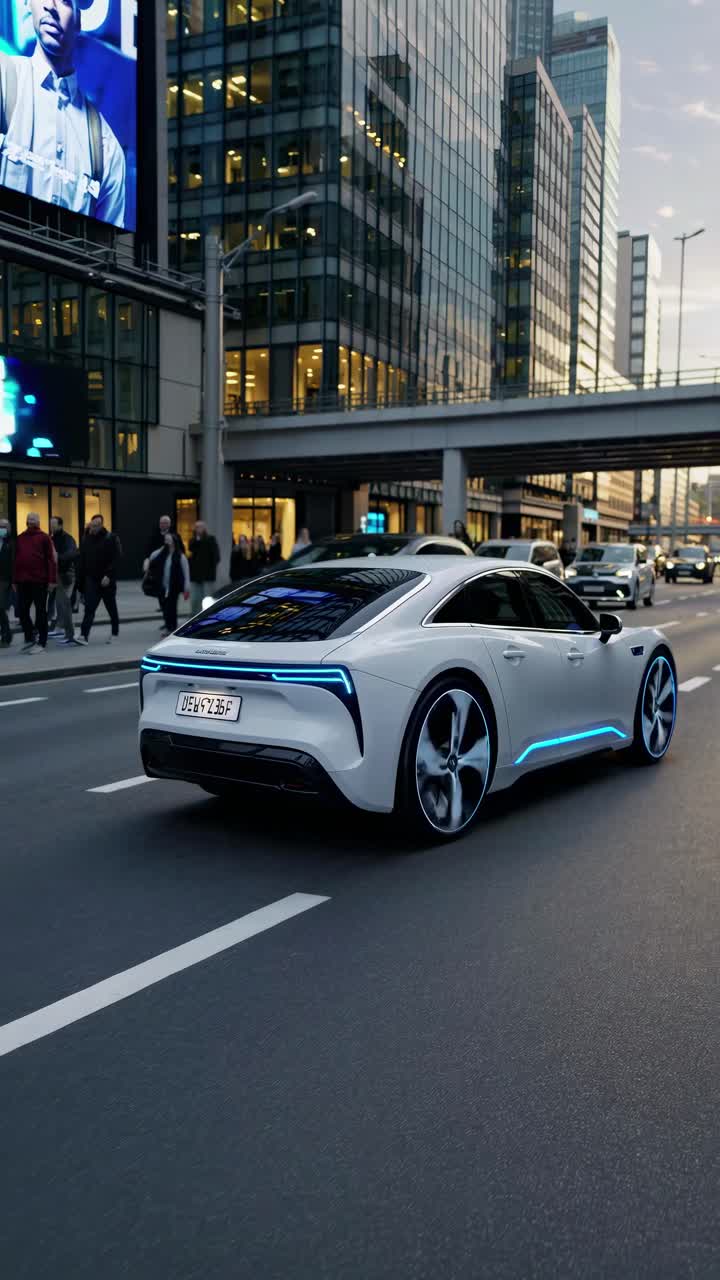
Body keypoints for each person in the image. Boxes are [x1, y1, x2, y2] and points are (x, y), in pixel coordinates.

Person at [0, 0, 126, 227]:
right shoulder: (4, 79)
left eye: (65, 1)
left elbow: (107, 249)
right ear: (27, 5)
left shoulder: (106, 148)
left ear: (80, 19)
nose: (50, 6)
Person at [13, 512, 56, 654]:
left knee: (40, 612)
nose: (31, 521)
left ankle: (42, 641)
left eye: (34, 519)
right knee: (22, 611)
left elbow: (51, 560)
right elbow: (16, 560)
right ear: (26, 521)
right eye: (29, 519)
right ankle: (31, 636)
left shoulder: (44, 538)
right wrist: (15, 580)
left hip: (39, 581)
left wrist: (51, 580)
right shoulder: (20, 538)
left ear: (38, 522)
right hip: (23, 581)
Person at [76, 513, 120, 645]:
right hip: (92, 580)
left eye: (96, 526)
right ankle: (84, 635)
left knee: (111, 607)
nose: (93, 528)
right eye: (92, 525)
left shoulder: (111, 538)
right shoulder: (86, 539)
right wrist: (81, 583)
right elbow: (82, 561)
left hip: (107, 580)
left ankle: (115, 633)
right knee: (89, 608)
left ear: (102, 525)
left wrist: (109, 575)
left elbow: (116, 558)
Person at [148, 533, 190, 635]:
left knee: (172, 607)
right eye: (165, 540)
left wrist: (186, 587)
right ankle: (168, 626)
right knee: (165, 607)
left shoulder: (180, 556)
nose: (167, 541)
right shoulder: (163, 553)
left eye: (169, 540)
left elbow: (186, 572)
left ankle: (171, 628)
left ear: (174, 542)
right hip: (163, 586)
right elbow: (153, 557)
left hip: (174, 587)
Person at [48, 515, 77, 642]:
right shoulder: (51, 538)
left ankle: (69, 634)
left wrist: (57, 556)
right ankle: (60, 628)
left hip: (66, 574)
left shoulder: (68, 538)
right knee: (58, 603)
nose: (52, 526)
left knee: (64, 603)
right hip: (56, 574)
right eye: (51, 524)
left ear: (60, 525)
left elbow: (71, 553)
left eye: (54, 524)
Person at [188, 520, 220, 614]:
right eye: (196, 527)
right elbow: (191, 548)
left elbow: (216, 556)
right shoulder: (193, 540)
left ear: (204, 528)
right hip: (195, 576)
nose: (198, 529)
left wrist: (212, 568)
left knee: (207, 598)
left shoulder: (211, 539)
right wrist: (197, 538)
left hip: (207, 575)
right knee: (195, 599)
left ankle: (207, 615)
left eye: (200, 527)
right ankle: (194, 616)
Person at [0, 517, 14, 647]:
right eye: (0, 526)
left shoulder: (12, 543)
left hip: (5, 579)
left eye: (5, 527)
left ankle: (6, 635)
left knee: (1, 607)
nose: (2, 529)